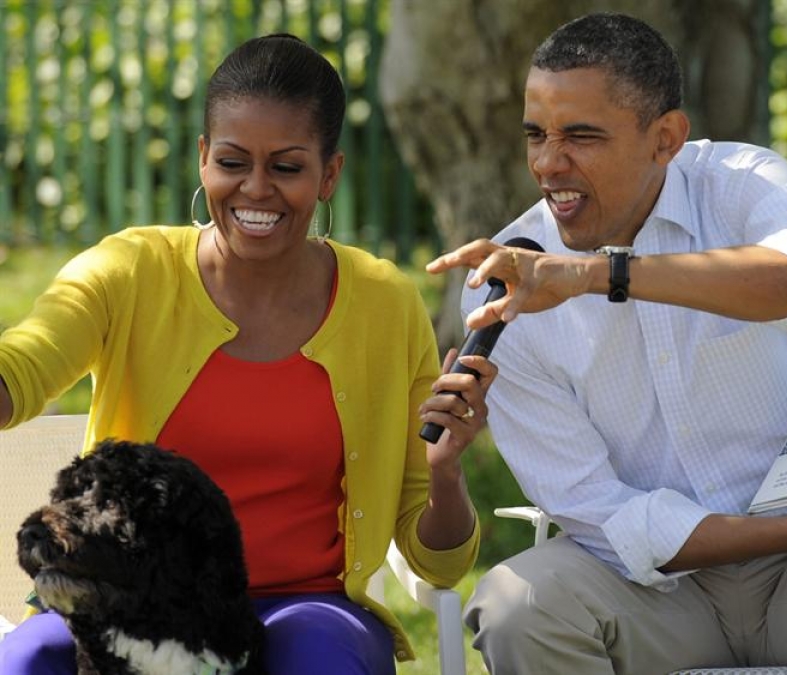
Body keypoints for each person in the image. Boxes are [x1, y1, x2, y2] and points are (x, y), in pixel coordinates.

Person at [426, 12, 787, 675]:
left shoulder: (739, 182)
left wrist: (598, 275)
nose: (548, 164)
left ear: (666, 137)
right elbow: (602, 515)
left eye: (581, 136)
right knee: (517, 602)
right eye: (536, 135)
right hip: (657, 589)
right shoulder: (501, 292)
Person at [0, 33, 493, 675]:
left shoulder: (383, 304)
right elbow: (23, 367)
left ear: (329, 174)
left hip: (306, 606)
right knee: (31, 656)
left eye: (286, 167)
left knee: (324, 660)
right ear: (203, 159)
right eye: (233, 162)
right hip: (128, 600)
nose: (255, 190)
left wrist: (449, 469)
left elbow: (440, 562)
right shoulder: (129, 270)